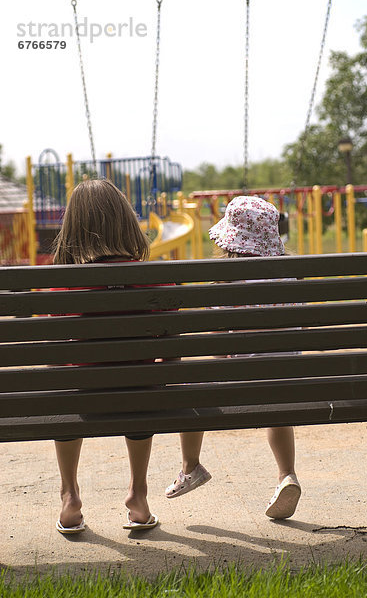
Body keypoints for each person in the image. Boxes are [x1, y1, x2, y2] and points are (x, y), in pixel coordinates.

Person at [166, 195, 301, 520]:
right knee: (276, 396)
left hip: (240, 384)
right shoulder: (291, 281)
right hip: (292, 382)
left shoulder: (225, 285)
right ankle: (286, 474)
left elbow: (216, 350)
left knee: (192, 383)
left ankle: (190, 466)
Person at [53, 179, 158, 534]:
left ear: (74, 228)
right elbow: (172, 339)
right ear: (126, 221)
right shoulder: (154, 280)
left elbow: (53, 352)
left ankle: (70, 497)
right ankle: (138, 496)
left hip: (85, 396)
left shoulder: (63, 287)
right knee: (141, 387)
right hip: (142, 397)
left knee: (65, 391)